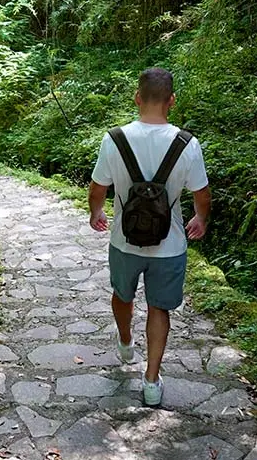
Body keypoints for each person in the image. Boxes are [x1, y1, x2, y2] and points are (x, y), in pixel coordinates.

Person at [87, 67, 211, 407]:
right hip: (169, 245)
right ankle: (152, 380)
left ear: (137, 98)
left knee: (122, 294)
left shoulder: (114, 139)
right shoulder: (188, 144)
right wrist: (200, 219)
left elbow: (98, 188)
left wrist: (96, 213)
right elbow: (202, 194)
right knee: (160, 308)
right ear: (171, 101)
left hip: (124, 241)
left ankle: (126, 341)